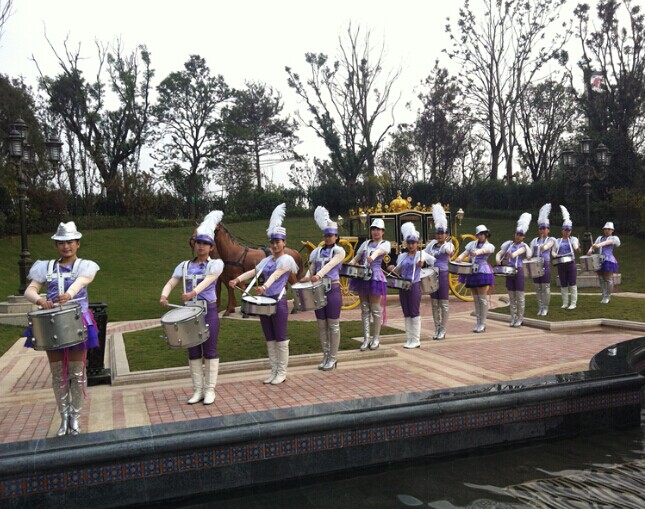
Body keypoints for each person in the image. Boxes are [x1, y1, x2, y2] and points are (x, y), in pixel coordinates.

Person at [23, 222, 100, 436]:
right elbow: (30, 290)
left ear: (78, 244)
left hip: (76, 320)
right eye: (61, 243)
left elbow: (82, 281)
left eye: (70, 242)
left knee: (77, 372)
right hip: (52, 323)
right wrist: (40, 300)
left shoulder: (85, 266)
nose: (66, 246)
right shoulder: (45, 267)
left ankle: (75, 417)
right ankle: (64, 416)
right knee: (58, 375)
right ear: (56, 245)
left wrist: (69, 294)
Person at [160, 211, 224, 405]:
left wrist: (192, 292)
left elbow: (209, 280)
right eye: (198, 243)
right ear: (194, 245)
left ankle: (210, 390)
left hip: (208, 311)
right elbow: (172, 282)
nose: (201, 246)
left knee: (210, 351)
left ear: (211, 247)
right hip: (189, 314)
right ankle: (197, 390)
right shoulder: (184, 265)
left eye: (205, 243)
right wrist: (164, 295)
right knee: (193, 352)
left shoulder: (216, 264)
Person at [229, 203, 298, 384]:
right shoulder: (267, 260)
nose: (274, 245)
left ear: (284, 242)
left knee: (280, 337)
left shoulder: (287, 259)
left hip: (278, 301)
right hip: (265, 302)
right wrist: (237, 279)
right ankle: (273, 371)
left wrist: (264, 287)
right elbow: (254, 272)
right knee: (269, 338)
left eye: (278, 242)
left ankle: (282, 372)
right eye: (272, 242)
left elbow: (277, 275)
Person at [302, 206, 345, 370]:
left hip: (332, 288)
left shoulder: (339, 251)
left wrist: (318, 275)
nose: (327, 238)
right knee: (321, 325)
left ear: (336, 237)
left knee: (333, 325)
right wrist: (307, 276)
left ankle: (333, 358)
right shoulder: (317, 251)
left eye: (330, 236)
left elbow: (331, 265)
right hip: (318, 290)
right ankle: (325, 355)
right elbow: (312, 266)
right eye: (325, 236)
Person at [387, 223, 434, 349]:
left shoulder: (420, 254)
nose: (411, 245)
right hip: (403, 285)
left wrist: (421, 263)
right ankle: (409, 338)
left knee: (414, 311)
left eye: (413, 243)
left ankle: (416, 339)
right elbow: (398, 271)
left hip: (414, 285)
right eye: (409, 243)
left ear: (417, 244)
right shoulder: (402, 256)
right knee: (406, 312)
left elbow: (432, 260)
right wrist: (392, 268)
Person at [349, 218, 392, 351]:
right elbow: (357, 257)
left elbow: (380, 252)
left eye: (378, 229)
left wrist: (372, 257)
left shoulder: (385, 243)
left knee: (375, 308)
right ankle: (366, 338)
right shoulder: (366, 243)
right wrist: (350, 264)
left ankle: (376, 338)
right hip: (362, 276)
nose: (375, 232)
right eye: (373, 229)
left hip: (375, 277)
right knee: (364, 308)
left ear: (383, 231)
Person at [424, 203, 455, 340]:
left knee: (443, 303)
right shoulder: (431, 244)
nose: (440, 235)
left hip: (442, 274)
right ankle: (436, 328)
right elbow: (424, 253)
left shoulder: (448, 244)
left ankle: (443, 329)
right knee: (434, 303)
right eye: (438, 233)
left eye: (442, 233)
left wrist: (448, 250)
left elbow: (449, 250)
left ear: (446, 234)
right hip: (432, 274)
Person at [455, 225, 495, 333]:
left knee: (482, 298)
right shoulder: (472, 244)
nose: (480, 236)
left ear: (486, 234)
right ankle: (478, 322)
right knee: (476, 299)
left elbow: (485, 250)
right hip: (472, 271)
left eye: (482, 234)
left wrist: (477, 252)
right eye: (478, 234)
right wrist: (459, 258)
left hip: (482, 271)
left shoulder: (489, 246)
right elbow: (465, 252)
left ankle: (483, 323)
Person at [495, 213, 532, 327]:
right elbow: (500, 253)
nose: (518, 236)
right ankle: (513, 317)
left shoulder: (524, 246)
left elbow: (520, 252)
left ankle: (520, 318)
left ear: (523, 237)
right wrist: (498, 259)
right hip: (508, 271)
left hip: (518, 271)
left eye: (521, 235)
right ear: (514, 234)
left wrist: (513, 255)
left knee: (519, 296)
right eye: (517, 234)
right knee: (511, 296)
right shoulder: (508, 244)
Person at [552, 205, 580, 310]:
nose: (567, 232)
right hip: (560, 263)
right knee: (563, 283)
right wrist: (555, 255)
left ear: (570, 231)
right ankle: (565, 302)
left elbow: (575, 246)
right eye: (565, 230)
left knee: (572, 283)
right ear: (562, 230)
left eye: (568, 230)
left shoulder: (573, 239)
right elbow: (553, 251)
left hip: (570, 263)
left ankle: (573, 303)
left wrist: (577, 249)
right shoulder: (557, 241)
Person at [530, 203, 556, 316]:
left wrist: (544, 247)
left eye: (544, 228)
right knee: (537, 287)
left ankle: (545, 307)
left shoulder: (551, 239)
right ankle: (540, 307)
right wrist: (528, 256)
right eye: (541, 228)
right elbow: (530, 252)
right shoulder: (534, 240)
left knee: (545, 286)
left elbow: (548, 246)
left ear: (548, 230)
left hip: (545, 263)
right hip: (535, 264)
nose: (542, 230)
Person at [587, 221, 620, 304]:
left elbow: (606, 243)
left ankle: (607, 296)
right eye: (605, 229)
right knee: (601, 279)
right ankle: (603, 294)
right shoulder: (599, 238)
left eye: (609, 229)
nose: (607, 230)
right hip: (599, 259)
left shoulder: (614, 238)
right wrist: (590, 250)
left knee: (608, 279)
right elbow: (594, 245)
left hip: (608, 260)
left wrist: (597, 246)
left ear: (612, 230)